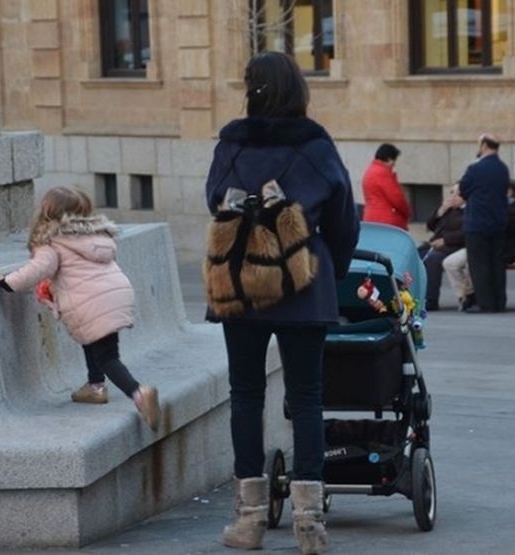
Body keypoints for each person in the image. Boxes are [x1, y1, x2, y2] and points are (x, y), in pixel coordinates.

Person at [204, 51, 359, 554]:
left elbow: (213, 199)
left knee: (246, 395)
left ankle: (249, 521)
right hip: (303, 282)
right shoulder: (315, 144)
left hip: (241, 285)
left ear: (251, 89)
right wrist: (330, 267)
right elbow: (343, 217)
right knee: (308, 397)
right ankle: (309, 525)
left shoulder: (231, 142)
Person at [0, 186, 161, 431]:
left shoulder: (53, 241)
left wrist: (7, 283)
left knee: (108, 358)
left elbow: (37, 269)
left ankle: (138, 393)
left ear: (47, 211)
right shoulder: (95, 236)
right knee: (92, 338)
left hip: (91, 301)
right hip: (115, 295)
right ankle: (95, 386)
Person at [444, 178, 515, 312]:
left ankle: (477, 298)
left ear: (508, 192)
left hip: (503, 250)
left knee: (474, 263)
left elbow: (503, 230)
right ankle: (466, 296)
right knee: (450, 263)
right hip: (482, 246)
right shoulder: (496, 207)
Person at [458, 133, 510, 313]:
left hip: (477, 223)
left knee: (479, 266)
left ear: (485, 146)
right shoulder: (503, 169)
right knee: (497, 264)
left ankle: (486, 303)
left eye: (479, 144)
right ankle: (499, 302)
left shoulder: (475, 169)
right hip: (498, 223)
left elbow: (463, 189)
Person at [419, 182, 465, 311]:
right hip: (436, 244)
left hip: (453, 246)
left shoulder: (467, 211)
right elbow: (430, 226)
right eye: (452, 193)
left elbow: (465, 233)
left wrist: (446, 240)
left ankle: (431, 299)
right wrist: (440, 212)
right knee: (416, 255)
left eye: (458, 194)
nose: (453, 197)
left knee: (433, 259)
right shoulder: (448, 210)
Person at [361, 143, 411, 230]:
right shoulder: (383, 173)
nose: (394, 164)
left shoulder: (370, 170)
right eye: (394, 160)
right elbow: (397, 199)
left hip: (371, 218)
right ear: (388, 159)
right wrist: (407, 213)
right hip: (387, 222)